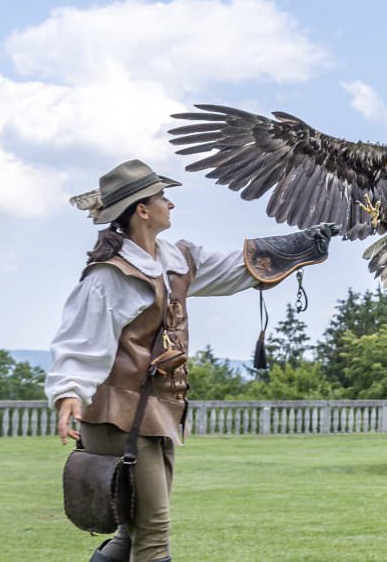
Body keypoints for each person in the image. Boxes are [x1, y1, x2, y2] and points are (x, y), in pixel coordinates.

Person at [46, 159, 337, 562]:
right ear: (142, 210)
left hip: (154, 414)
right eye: (162, 197)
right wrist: (68, 393)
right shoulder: (108, 276)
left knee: (132, 536)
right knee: (153, 535)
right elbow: (79, 342)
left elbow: (235, 267)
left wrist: (299, 244)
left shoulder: (176, 259)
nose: (171, 204)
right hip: (119, 417)